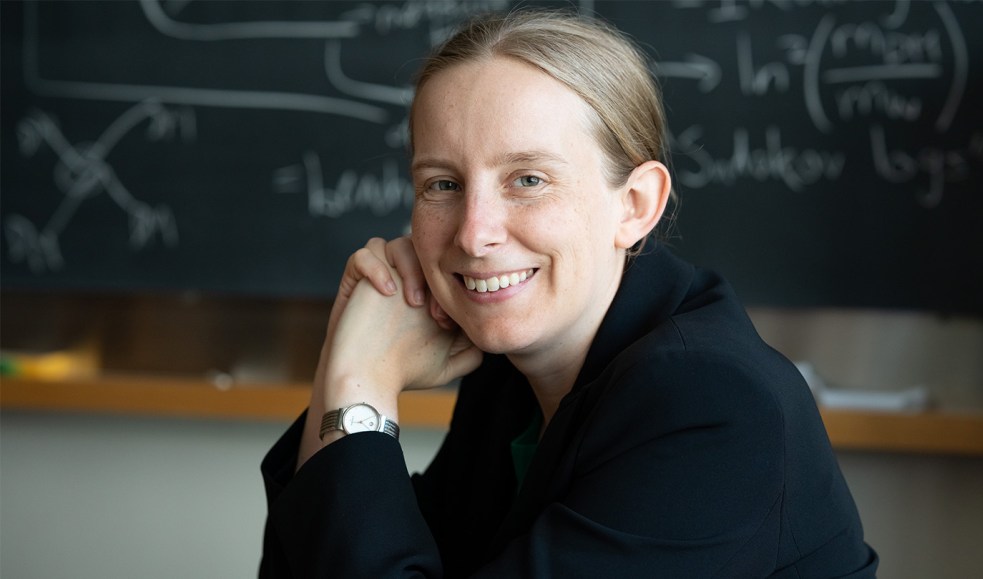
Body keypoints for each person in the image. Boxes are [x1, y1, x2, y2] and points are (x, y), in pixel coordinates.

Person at [259, 8, 878, 578]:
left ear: (635, 206)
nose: (475, 235)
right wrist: (347, 358)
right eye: (443, 184)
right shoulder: (517, 368)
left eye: (528, 179)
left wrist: (359, 387)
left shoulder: (713, 404)